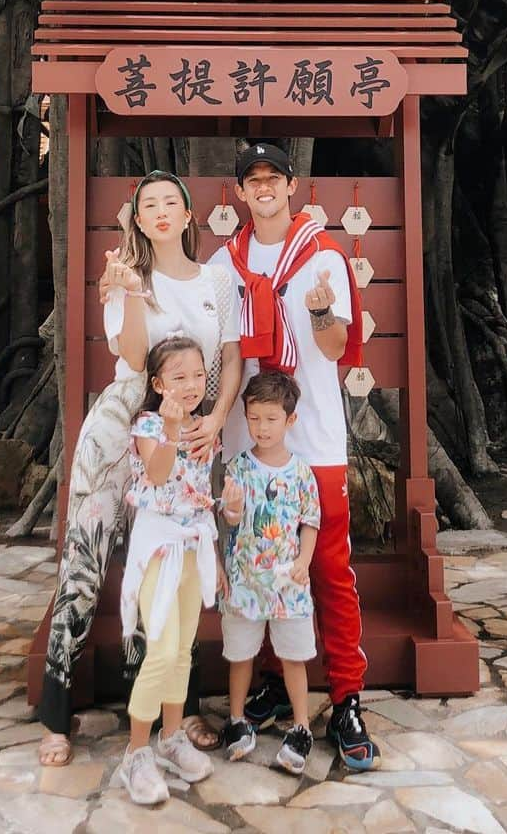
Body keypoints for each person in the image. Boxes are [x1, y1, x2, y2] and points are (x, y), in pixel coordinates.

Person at [39, 171, 242, 767]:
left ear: (187, 217)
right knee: (87, 556)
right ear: (135, 218)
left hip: (197, 431)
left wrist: (219, 414)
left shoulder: (216, 279)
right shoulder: (124, 278)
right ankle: (56, 711)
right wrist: (126, 292)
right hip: (125, 421)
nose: (158, 211)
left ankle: (175, 712)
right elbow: (131, 358)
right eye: (146, 204)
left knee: (184, 561)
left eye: (170, 203)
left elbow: (229, 358)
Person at [208, 142, 381, 772]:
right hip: (248, 442)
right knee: (256, 560)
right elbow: (220, 352)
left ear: (291, 184)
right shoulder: (224, 264)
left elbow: (337, 348)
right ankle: (277, 681)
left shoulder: (324, 256)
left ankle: (346, 695)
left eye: (272, 178)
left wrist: (320, 310)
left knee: (328, 568)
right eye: (251, 180)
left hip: (313, 441)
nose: (263, 188)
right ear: (241, 192)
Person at [115, 336, 219, 804]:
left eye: (198, 375)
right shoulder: (149, 425)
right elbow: (157, 475)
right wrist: (173, 431)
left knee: (183, 650)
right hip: (159, 547)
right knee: (161, 647)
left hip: (194, 544)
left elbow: (200, 490)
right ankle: (136, 752)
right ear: (158, 383)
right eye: (179, 377)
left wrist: (216, 542)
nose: (192, 385)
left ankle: (171, 736)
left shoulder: (205, 425)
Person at [220, 370, 320, 776]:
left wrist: (305, 561)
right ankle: (236, 719)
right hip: (245, 578)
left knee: (295, 655)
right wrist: (232, 508)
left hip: (287, 581)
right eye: (254, 418)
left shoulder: (301, 473)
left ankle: (301, 725)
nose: (262, 427)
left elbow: (310, 521)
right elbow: (229, 519)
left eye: (271, 419)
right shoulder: (237, 467)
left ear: (290, 420)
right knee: (240, 654)